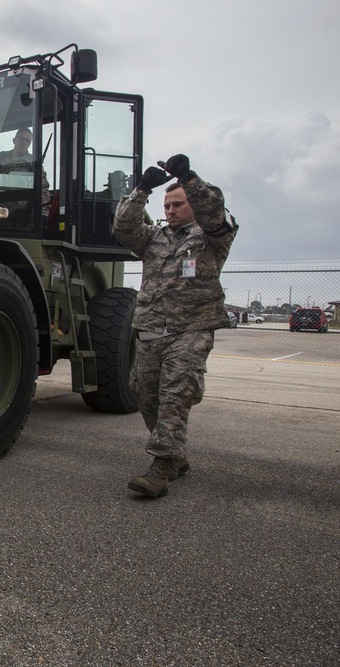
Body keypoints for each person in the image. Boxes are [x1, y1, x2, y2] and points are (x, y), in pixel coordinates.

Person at [112, 154, 238, 498]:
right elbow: (123, 228)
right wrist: (141, 190)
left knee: (174, 395)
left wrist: (189, 178)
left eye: (177, 203)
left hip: (191, 330)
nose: (170, 210)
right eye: (166, 205)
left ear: (192, 205)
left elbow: (214, 210)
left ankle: (162, 467)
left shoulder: (212, 236)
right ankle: (176, 455)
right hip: (152, 329)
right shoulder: (155, 237)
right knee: (144, 393)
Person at [0, 128, 51, 225]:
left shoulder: (33, 162)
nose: (23, 142)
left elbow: (43, 188)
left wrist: (43, 214)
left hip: (22, 211)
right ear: (14, 140)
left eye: (27, 140)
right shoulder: (1, 157)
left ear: (30, 143)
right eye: (21, 139)